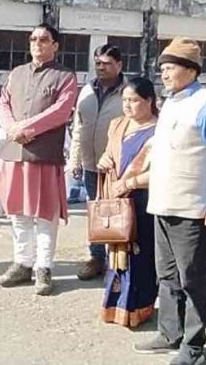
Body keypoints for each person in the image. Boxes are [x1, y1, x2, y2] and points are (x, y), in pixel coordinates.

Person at [133, 38, 206, 365]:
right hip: (162, 204)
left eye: (170, 68)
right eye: (161, 68)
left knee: (192, 279)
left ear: (191, 70)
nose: (163, 74)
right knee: (167, 275)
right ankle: (170, 333)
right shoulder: (172, 103)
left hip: (192, 210)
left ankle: (193, 346)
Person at [0, 23, 78, 296]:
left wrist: (26, 128)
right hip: (14, 152)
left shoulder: (65, 76)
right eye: (33, 39)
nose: (37, 43)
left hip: (43, 154)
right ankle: (22, 262)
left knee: (45, 214)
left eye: (44, 39)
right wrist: (11, 128)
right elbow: (2, 103)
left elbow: (61, 110)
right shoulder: (16, 74)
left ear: (55, 45)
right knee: (18, 212)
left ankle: (44, 267)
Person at [96, 77, 158, 328]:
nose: (128, 106)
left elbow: (163, 170)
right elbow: (109, 154)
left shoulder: (161, 130)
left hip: (144, 200)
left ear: (149, 101)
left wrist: (131, 183)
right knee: (116, 255)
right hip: (116, 199)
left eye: (134, 100)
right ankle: (115, 306)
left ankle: (140, 308)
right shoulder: (117, 125)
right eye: (124, 100)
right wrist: (103, 161)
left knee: (142, 256)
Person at [71, 44, 127, 281]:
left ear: (119, 65)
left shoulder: (129, 92)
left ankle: (119, 263)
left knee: (118, 214)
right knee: (95, 213)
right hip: (91, 165)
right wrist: (75, 159)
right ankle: (96, 258)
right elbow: (78, 127)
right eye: (98, 63)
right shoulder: (86, 91)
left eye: (107, 63)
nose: (101, 68)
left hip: (118, 167)